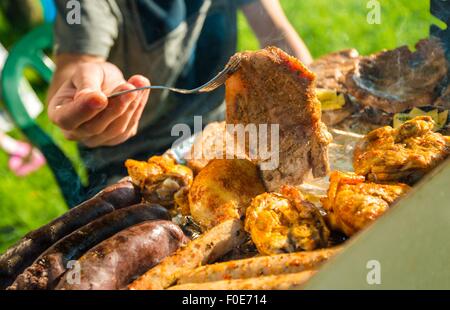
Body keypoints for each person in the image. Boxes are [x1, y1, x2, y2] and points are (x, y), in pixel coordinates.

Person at [48, 0, 313, 196]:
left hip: (221, 131)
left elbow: (273, 27)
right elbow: (76, 64)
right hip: (130, 156)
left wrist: (309, 91)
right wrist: (85, 89)